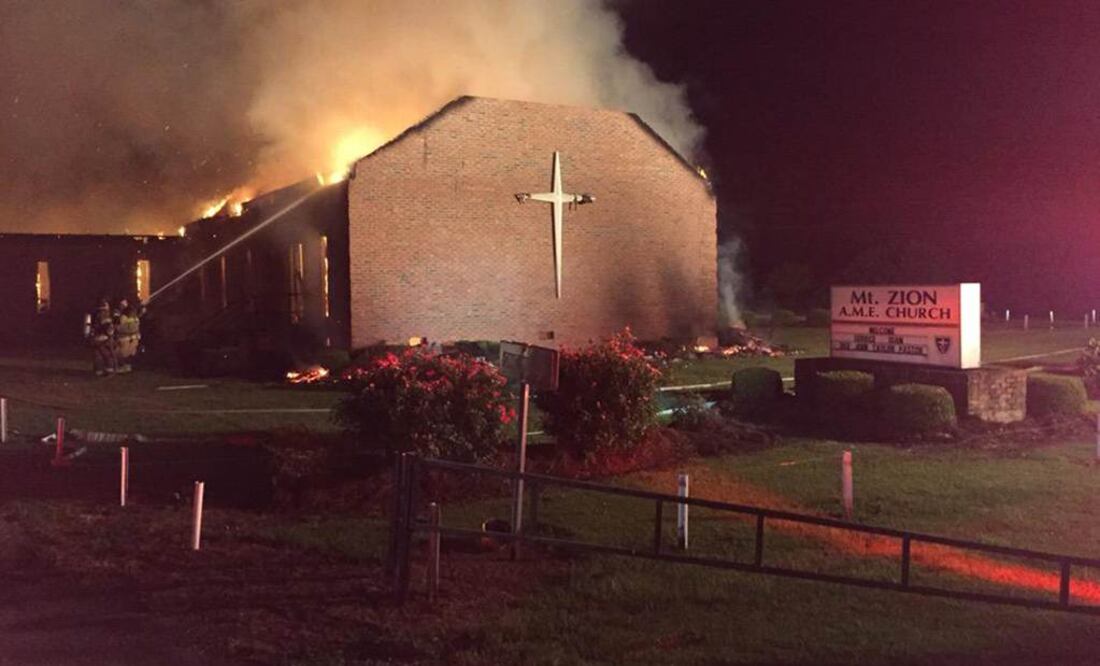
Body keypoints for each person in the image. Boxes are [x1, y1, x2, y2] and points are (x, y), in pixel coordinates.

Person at [90, 298, 116, 376]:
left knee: (98, 355)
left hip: (96, 338)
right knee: (107, 355)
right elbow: (108, 328)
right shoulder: (105, 315)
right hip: (104, 339)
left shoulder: (95, 314)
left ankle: (98, 370)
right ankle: (109, 370)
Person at [114, 304, 141, 373]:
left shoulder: (135, 319)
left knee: (130, 353)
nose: (133, 313)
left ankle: (127, 366)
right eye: (132, 311)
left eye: (134, 311)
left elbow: (135, 328)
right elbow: (121, 328)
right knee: (121, 353)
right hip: (124, 338)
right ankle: (121, 366)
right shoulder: (123, 318)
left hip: (133, 338)